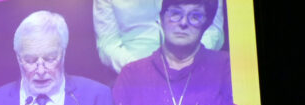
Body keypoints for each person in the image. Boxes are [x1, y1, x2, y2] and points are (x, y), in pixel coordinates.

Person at [93, 0, 225, 73]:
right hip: (135, 74)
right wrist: (140, 70)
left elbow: (214, 30)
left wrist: (188, 61)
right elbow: (108, 45)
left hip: (197, 69)